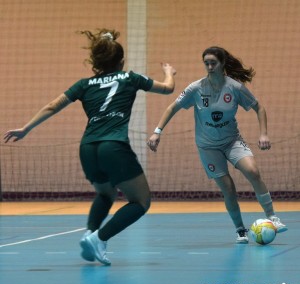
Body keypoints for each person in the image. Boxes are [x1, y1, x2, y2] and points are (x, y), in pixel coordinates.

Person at [4, 28, 176, 264]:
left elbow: (54, 105)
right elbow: (168, 89)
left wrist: (26, 128)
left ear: (96, 61)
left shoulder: (84, 84)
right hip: (113, 146)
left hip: (88, 148)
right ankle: (99, 238)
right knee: (140, 201)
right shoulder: (131, 77)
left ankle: (89, 234)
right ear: (121, 61)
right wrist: (169, 72)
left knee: (105, 193)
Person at [147, 46, 287, 244]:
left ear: (222, 64)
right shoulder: (196, 88)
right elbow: (172, 107)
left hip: (232, 141)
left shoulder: (235, 88)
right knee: (228, 188)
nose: (210, 67)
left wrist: (264, 133)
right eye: (206, 63)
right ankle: (240, 230)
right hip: (208, 147)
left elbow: (259, 108)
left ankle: (273, 217)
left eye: (213, 63)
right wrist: (157, 132)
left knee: (253, 172)